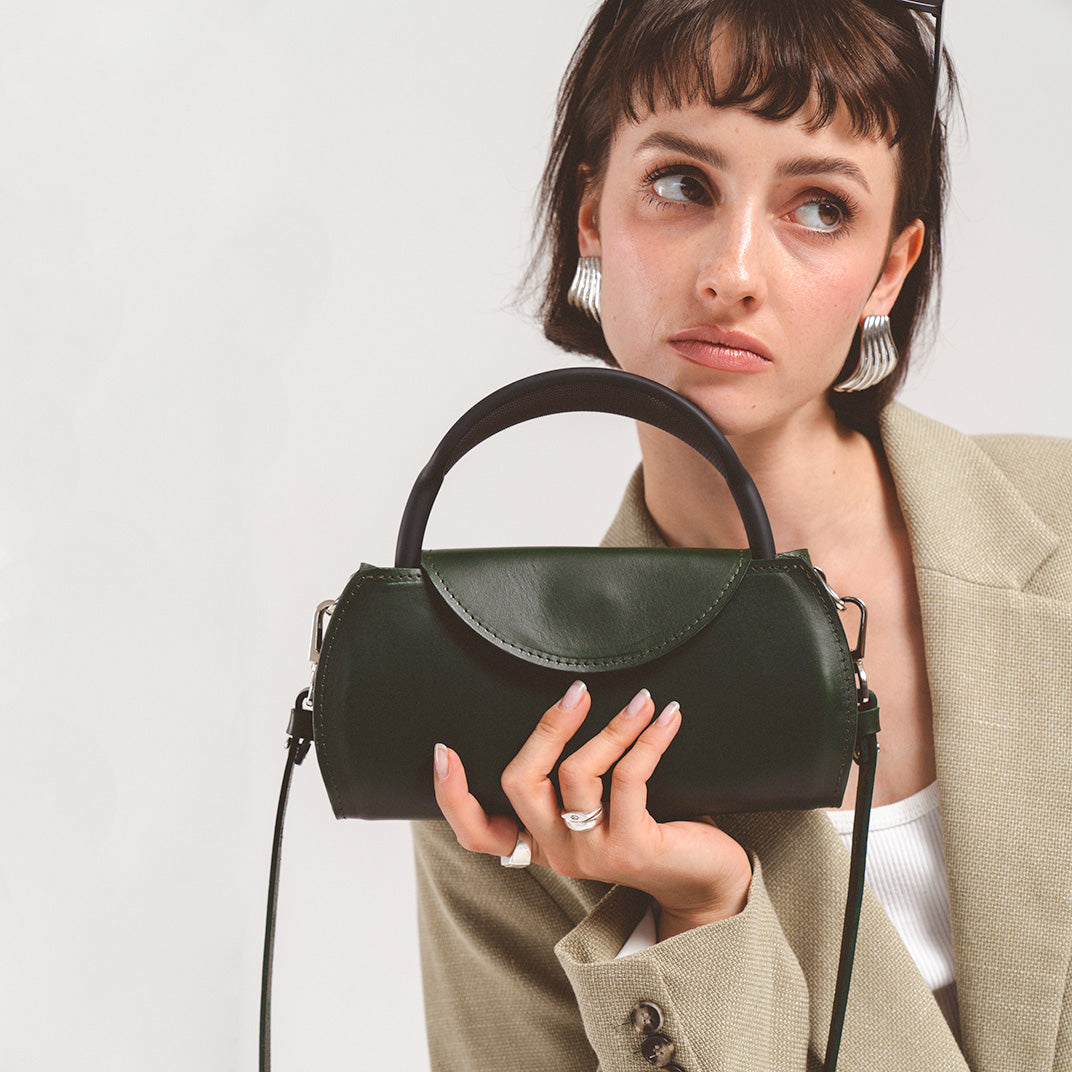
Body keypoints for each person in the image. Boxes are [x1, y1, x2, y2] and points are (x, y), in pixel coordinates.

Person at [413, 1, 1072, 1068]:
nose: (733, 272)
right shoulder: (505, 731)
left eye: (818, 207)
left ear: (890, 270)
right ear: (591, 213)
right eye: (681, 185)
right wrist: (697, 917)